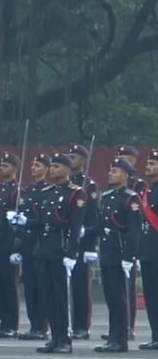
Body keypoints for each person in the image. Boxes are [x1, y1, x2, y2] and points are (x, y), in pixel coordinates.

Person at [11, 153, 85, 353]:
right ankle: (55, 337)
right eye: (52, 166)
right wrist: (25, 222)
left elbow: (75, 227)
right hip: (43, 250)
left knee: (61, 297)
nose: (53, 170)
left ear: (68, 170)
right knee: (48, 296)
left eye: (57, 166)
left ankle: (65, 340)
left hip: (60, 249)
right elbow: (41, 222)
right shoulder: (47, 192)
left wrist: (72, 253)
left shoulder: (75, 193)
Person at [90, 158, 140, 353]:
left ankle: (120, 339)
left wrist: (129, 257)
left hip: (120, 253)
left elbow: (133, 231)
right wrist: (85, 231)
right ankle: (113, 336)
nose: (111, 173)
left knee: (119, 298)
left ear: (126, 176)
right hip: (107, 252)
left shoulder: (131, 198)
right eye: (110, 170)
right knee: (111, 298)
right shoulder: (108, 196)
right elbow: (101, 225)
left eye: (116, 171)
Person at [14, 154, 51, 340]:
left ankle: (42, 326)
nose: (34, 168)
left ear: (47, 169)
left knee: (40, 286)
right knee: (29, 287)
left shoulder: (48, 190)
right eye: (33, 165)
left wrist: (27, 222)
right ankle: (33, 324)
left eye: (38, 165)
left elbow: (43, 220)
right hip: (28, 244)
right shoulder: (27, 190)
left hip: (40, 244)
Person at [68, 144, 99, 340]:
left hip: (82, 240)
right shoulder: (66, 183)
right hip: (66, 240)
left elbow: (94, 215)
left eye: (74, 157)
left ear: (83, 161)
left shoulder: (90, 185)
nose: (71, 160)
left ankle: (82, 325)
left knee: (80, 286)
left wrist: (90, 242)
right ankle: (68, 324)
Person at [116, 144, 145, 339]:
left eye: (126, 157)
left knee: (128, 287)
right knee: (117, 289)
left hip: (134, 238)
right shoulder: (116, 188)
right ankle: (118, 326)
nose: (123, 160)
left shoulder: (138, 185)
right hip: (117, 241)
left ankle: (129, 327)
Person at [0, 153, 21, 338]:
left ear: (14, 169)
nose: (1, 168)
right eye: (1, 165)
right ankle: (3, 321)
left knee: (9, 284)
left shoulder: (17, 192)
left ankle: (12, 323)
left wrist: (18, 247)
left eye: (6, 165)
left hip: (10, 242)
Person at [140, 149, 158, 350]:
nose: (148, 167)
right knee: (151, 297)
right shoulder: (148, 191)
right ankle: (156, 335)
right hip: (148, 252)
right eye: (149, 163)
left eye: (153, 163)